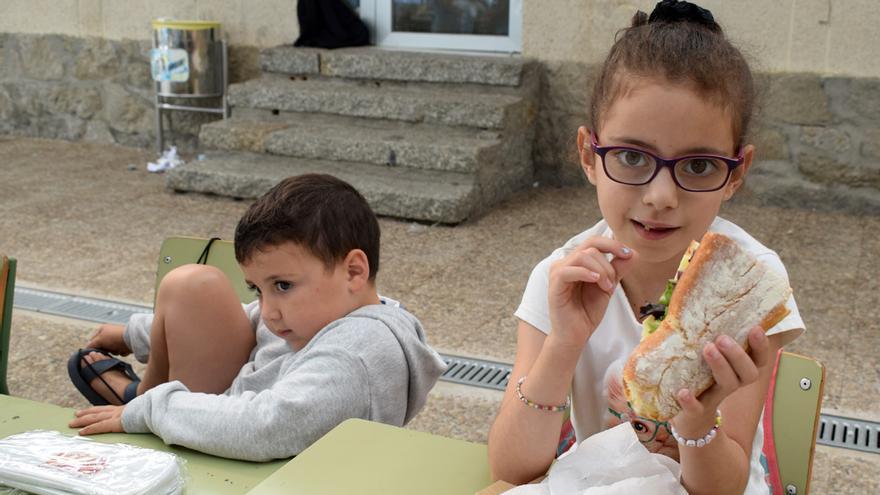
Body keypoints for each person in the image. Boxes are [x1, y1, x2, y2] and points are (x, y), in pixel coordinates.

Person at [487, 2, 805, 494]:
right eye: (632, 156)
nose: (660, 196)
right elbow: (512, 466)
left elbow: (724, 486)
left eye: (698, 165)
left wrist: (697, 425)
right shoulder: (561, 278)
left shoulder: (750, 282)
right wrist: (564, 344)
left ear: (736, 173)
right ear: (589, 155)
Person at [67, 174, 447, 461]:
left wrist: (149, 412)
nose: (268, 308)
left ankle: (139, 397)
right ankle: (145, 397)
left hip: (254, 468)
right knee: (193, 285)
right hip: (230, 423)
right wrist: (137, 334)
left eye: (282, 285)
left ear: (353, 272)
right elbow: (247, 320)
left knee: (187, 293)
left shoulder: (354, 354)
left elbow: (265, 428)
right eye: (257, 288)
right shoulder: (323, 310)